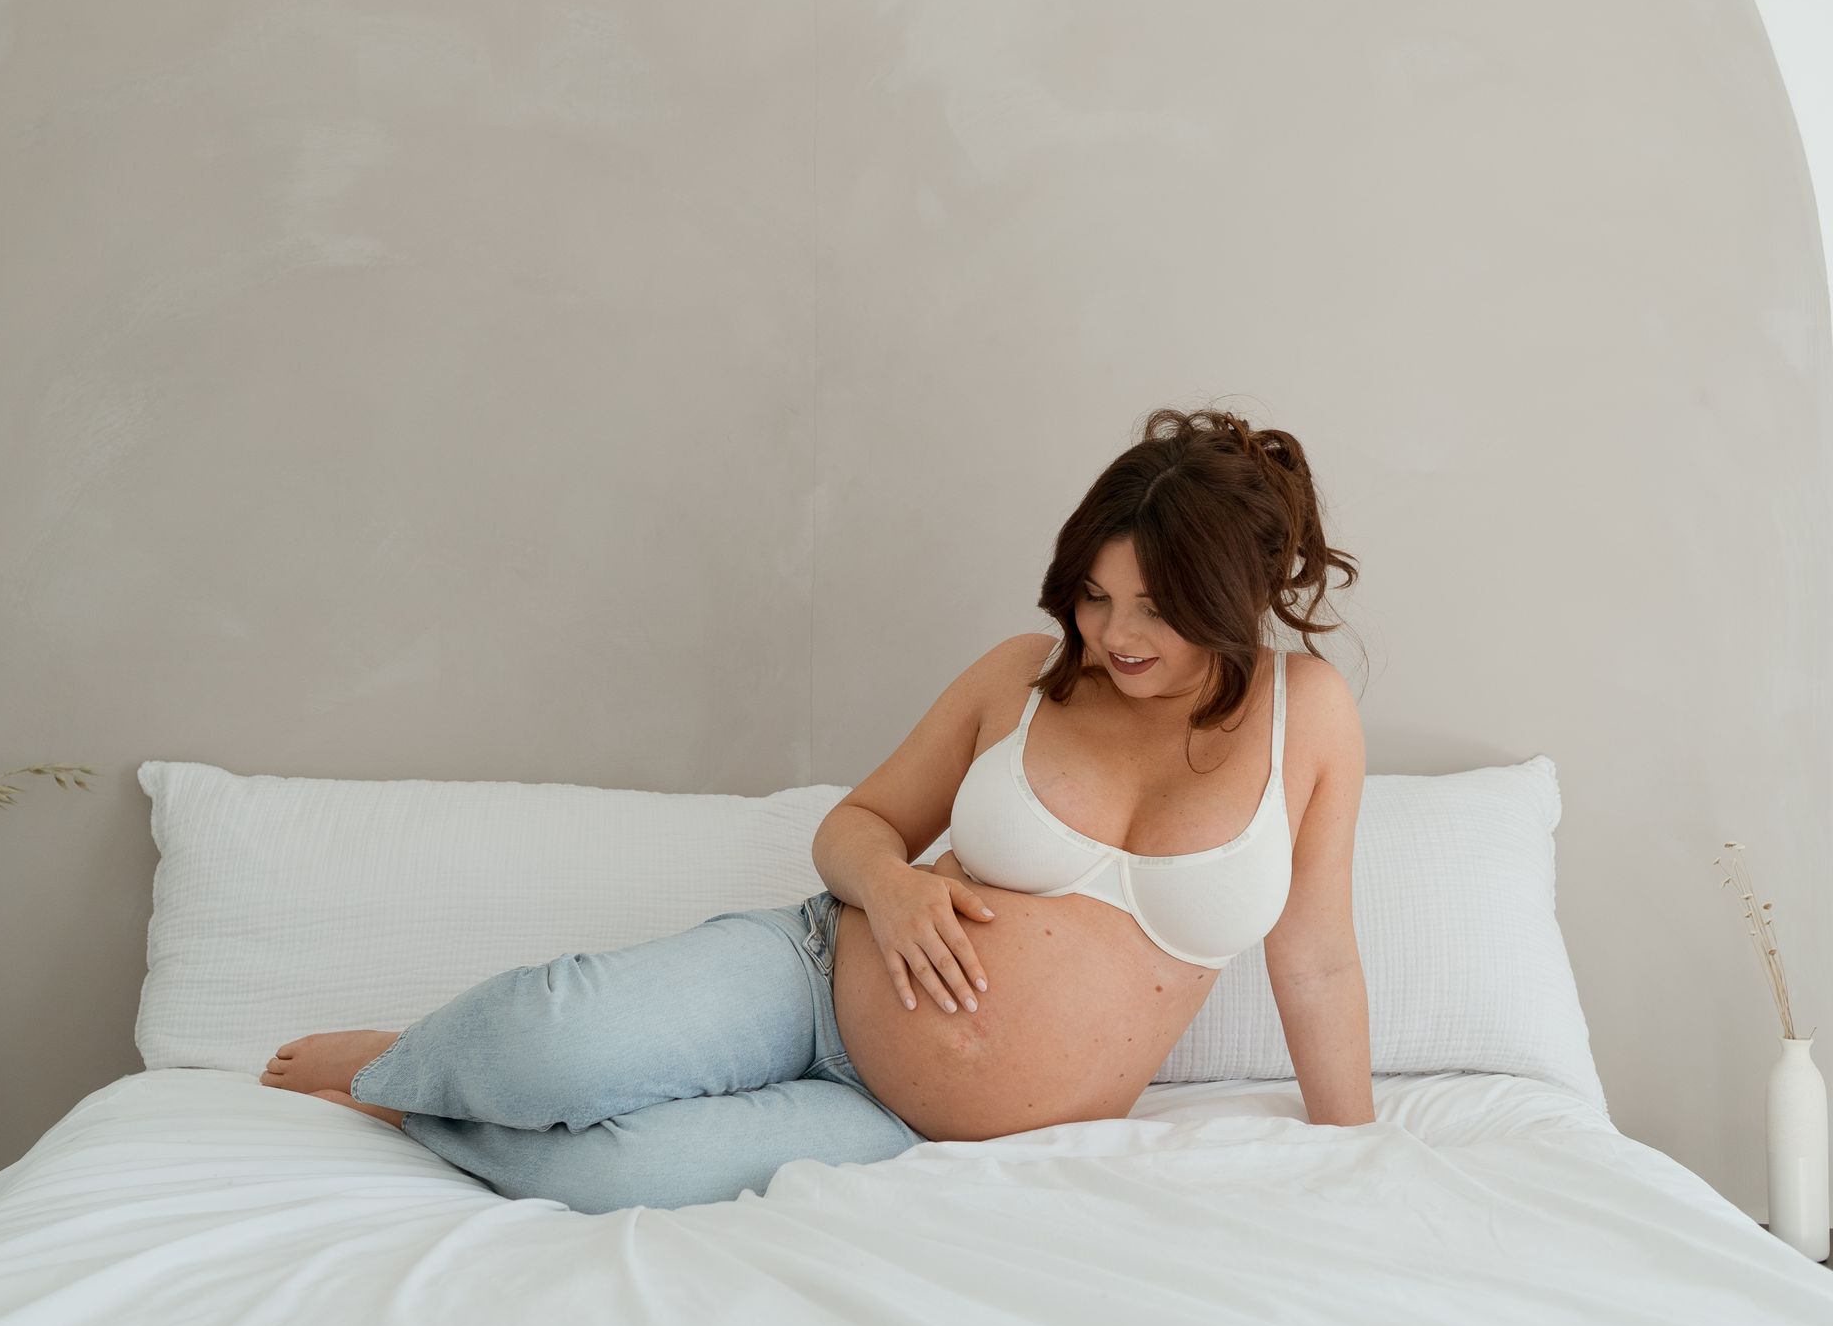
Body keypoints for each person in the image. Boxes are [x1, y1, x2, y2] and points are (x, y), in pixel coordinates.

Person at [261, 404, 1375, 1207]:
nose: (1114, 635)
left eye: (1154, 610)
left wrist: (1357, 1152)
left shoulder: (1305, 717)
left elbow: (1316, 959)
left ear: (1232, 603)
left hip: (902, 1128)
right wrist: (891, 891)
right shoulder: (1024, 679)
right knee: (549, 1040)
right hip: (810, 979)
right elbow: (856, 827)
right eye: (1094, 596)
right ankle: (405, 1058)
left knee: (620, 1176)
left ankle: (416, 1106)